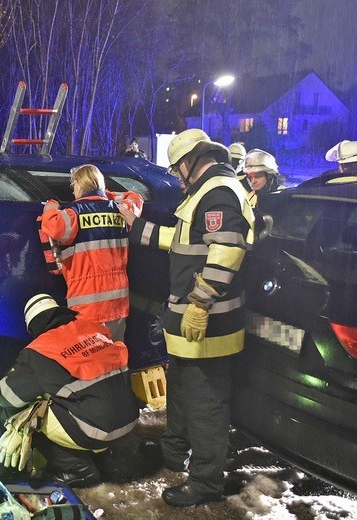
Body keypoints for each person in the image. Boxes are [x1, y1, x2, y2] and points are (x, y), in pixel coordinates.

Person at [118, 128, 255, 507]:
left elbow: (227, 250)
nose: (177, 177)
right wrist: (137, 227)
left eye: (177, 168)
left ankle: (206, 482)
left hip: (208, 326)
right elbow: (183, 240)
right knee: (180, 392)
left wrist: (200, 303)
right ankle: (173, 453)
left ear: (191, 161)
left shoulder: (219, 193)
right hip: (189, 329)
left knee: (206, 405)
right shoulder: (205, 191)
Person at [0, 294, 140, 487]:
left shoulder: (41, 350)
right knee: (77, 400)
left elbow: (7, 398)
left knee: (31, 416)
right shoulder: (94, 329)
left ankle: (78, 469)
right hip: (130, 418)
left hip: (98, 430)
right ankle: (104, 456)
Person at [39, 164, 143, 340]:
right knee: (116, 350)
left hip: (88, 305)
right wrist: (106, 194)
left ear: (79, 185)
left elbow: (52, 225)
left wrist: (51, 205)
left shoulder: (73, 214)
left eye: (74, 185)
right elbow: (136, 198)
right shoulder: (121, 211)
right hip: (117, 303)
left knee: (91, 354)